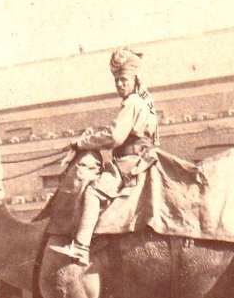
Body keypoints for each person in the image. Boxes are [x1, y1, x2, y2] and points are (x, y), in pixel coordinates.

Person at [51, 47, 159, 265]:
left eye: (124, 79)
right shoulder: (147, 102)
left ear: (135, 79)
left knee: (93, 193)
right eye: (117, 80)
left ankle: (81, 247)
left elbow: (115, 136)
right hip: (144, 159)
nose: (120, 84)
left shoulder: (132, 103)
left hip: (129, 164)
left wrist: (82, 142)